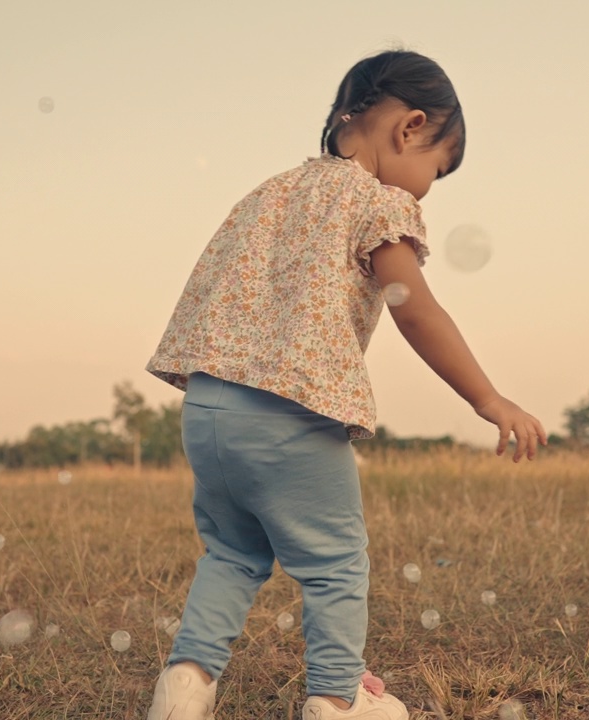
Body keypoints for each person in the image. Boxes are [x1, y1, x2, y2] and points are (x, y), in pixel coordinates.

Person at [143, 49, 547, 720]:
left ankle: (185, 684)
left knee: (233, 553)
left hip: (210, 409)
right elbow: (414, 307)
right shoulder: (376, 201)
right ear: (410, 128)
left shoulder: (270, 192)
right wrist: (488, 397)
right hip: (291, 412)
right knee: (334, 563)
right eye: (436, 172)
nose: (425, 190)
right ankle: (336, 698)